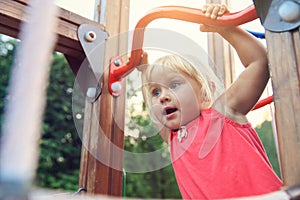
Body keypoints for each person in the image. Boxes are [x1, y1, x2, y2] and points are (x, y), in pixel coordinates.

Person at [137, 3, 284, 200]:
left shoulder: (221, 114)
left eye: (174, 85)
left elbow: (258, 62)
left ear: (205, 93)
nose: (162, 96)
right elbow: (152, 104)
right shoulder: (173, 139)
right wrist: (143, 71)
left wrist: (225, 26)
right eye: (156, 91)